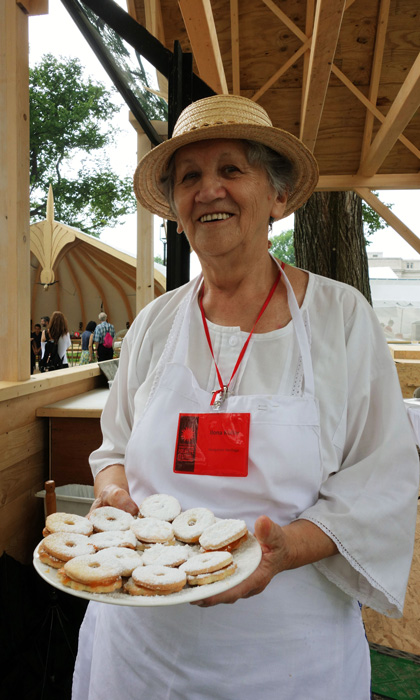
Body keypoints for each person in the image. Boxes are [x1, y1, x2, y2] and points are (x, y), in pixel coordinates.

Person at [72, 95, 419, 700]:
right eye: (190, 177)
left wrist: (285, 551)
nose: (209, 190)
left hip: (288, 655)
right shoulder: (153, 325)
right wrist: (112, 497)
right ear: (177, 208)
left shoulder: (340, 318)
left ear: (278, 197)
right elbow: (114, 450)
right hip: (141, 649)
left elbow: (382, 477)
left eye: (231, 169)